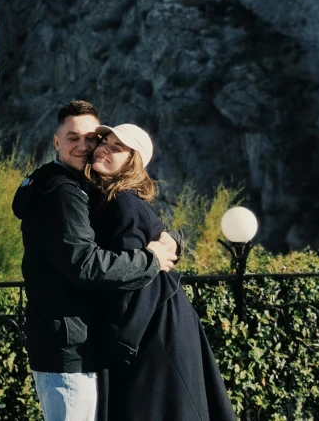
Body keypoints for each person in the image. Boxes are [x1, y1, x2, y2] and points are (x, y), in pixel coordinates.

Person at [12, 101, 179, 421]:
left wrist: (173, 244)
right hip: (68, 346)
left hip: (75, 344)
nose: (85, 145)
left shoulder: (73, 187)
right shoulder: (63, 193)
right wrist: (152, 260)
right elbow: (86, 265)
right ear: (56, 142)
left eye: (91, 138)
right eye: (72, 138)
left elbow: (130, 230)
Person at [85, 123, 237, 421]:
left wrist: (119, 342)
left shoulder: (121, 204)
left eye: (117, 148)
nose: (104, 148)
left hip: (154, 330)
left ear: (133, 162)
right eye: (105, 141)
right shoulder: (118, 200)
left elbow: (135, 279)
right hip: (160, 323)